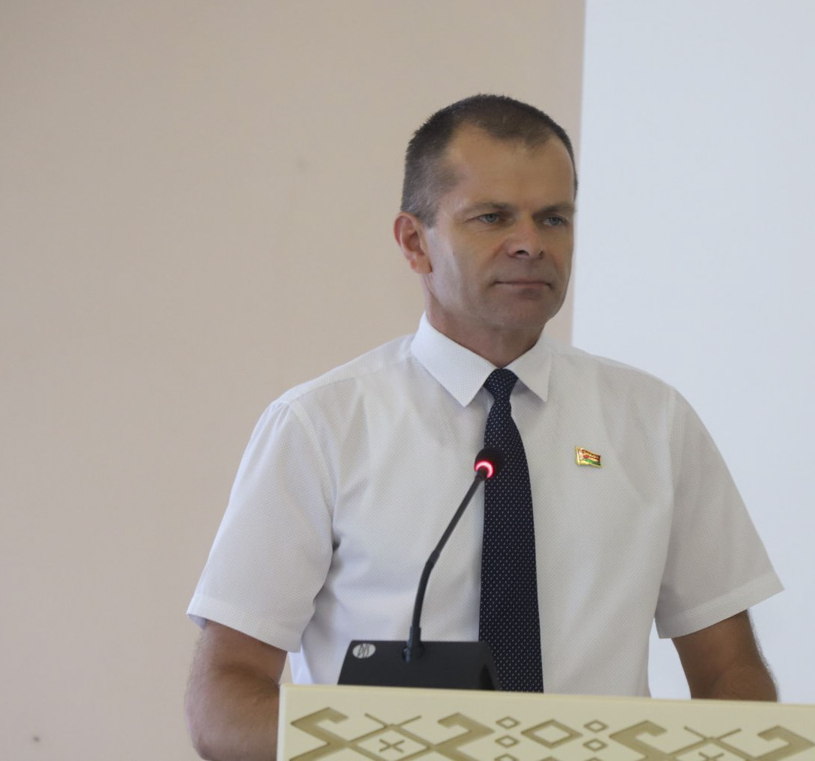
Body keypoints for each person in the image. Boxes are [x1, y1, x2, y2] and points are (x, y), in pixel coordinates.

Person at [185, 95, 782, 761]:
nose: (531, 243)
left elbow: (731, 671)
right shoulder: (321, 427)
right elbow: (225, 699)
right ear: (415, 242)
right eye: (493, 217)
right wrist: (381, 750)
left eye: (553, 218)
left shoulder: (654, 422)